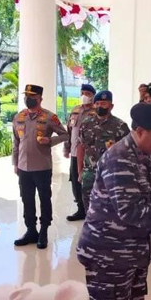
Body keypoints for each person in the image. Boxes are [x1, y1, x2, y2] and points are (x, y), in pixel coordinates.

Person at [77, 103, 151, 300]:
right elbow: (129, 210)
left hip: (134, 251)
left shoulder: (149, 153)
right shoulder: (119, 157)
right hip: (107, 253)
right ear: (139, 131)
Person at [12, 84, 69, 249]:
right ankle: (31, 230)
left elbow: (65, 134)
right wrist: (15, 163)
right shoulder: (19, 117)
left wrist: (50, 141)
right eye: (26, 96)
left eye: (32, 97)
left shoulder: (50, 117)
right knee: (26, 199)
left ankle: (44, 230)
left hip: (42, 167)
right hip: (23, 167)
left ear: (40, 99)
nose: (28, 99)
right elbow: (15, 142)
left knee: (45, 199)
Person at [77, 90, 130, 213]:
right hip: (89, 173)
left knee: (108, 210)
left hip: (110, 174)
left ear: (111, 106)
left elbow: (128, 152)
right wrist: (80, 171)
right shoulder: (86, 123)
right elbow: (81, 146)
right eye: (98, 103)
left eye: (104, 103)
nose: (100, 106)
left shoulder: (120, 126)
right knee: (88, 208)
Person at [64, 84, 97, 221]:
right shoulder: (75, 110)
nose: (84, 96)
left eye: (87, 93)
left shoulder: (96, 112)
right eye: (82, 92)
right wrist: (67, 147)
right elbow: (69, 131)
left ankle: (92, 210)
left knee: (90, 183)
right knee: (75, 182)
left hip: (90, 155)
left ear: (93, 95)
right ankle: (80, 209)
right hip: (74, 153)